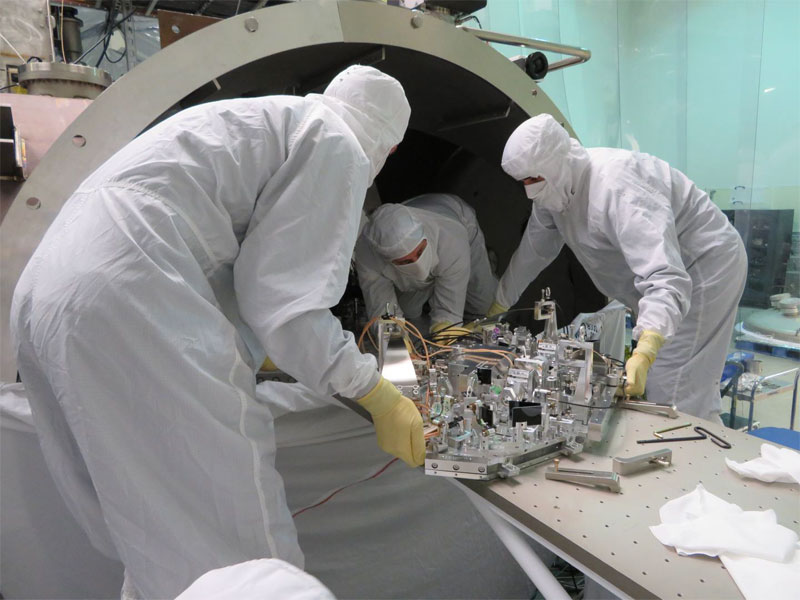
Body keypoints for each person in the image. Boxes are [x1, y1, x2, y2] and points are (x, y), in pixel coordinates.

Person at [10, 65, 424, 598]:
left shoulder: (267, 120)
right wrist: (374, 390)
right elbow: (285, 305)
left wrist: (267, 351)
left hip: (48, 286)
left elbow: (233, 268)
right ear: (388, 147)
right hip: (130, 289)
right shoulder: (338, 142)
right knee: (242, 553)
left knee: (153, 528)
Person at [491, 113, 746, 422]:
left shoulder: (617, 187)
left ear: (556, 163)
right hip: (663, 279)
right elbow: (534, 250)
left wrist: (647, 348)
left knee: (676, 392)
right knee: (669, 381)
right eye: (523, 183)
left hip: (703, 268)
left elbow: (666, 276)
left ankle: (701, 463)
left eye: (534, 180)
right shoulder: (556, 187)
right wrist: (498, 304)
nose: (529, 191)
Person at [354, 193, 498, 339]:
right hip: (426, 261)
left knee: (483, 304)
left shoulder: (452, 239)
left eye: (420, 251)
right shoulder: (367, 254)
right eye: (406, 262)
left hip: (457, 221)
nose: (417, 264)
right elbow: (382, 309)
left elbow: (449, 311)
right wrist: (394, 342)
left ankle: (485, 262)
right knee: (408, 311)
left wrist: (444, 327)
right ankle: (432, 292)